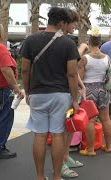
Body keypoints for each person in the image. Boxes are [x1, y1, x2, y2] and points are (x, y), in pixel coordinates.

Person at [21, 7, 80, 180]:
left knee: (39, 135)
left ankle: (40, 177)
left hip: (38, 93)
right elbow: (71, 74)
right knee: (57, 135)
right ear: (62, 23)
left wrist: (28, 91)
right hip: (60, 95)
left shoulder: (30, 40)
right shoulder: (68, 44)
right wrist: (75, 100)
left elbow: (25, 69)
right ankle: (56, 176)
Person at [78, 27, 111, 156]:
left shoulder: (85, 59)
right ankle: (109, 146)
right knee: (106, 118)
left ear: (89, 42)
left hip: (88, 89)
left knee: (90, 120)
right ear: (100, 43)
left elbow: (79, 78)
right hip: (103, 89)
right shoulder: (107, 58)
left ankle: (91, 149)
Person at [60, 8, 86, 179]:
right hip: (62, 92)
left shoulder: (67, 42)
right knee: (62, 130)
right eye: (74, 23)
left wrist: (81, 85)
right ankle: (61, 164)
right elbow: (70, 72)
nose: (76, 26)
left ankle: (65, 157)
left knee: (69, 127)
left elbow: (73, 70)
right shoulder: (63, 43)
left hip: (69, 92)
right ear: (65, 23)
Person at [0, 23, 25, 159]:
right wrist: (16, 87)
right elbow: (5, 69)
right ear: (0, 33)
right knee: (4, 117)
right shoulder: (0, 48)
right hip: (1, 90)